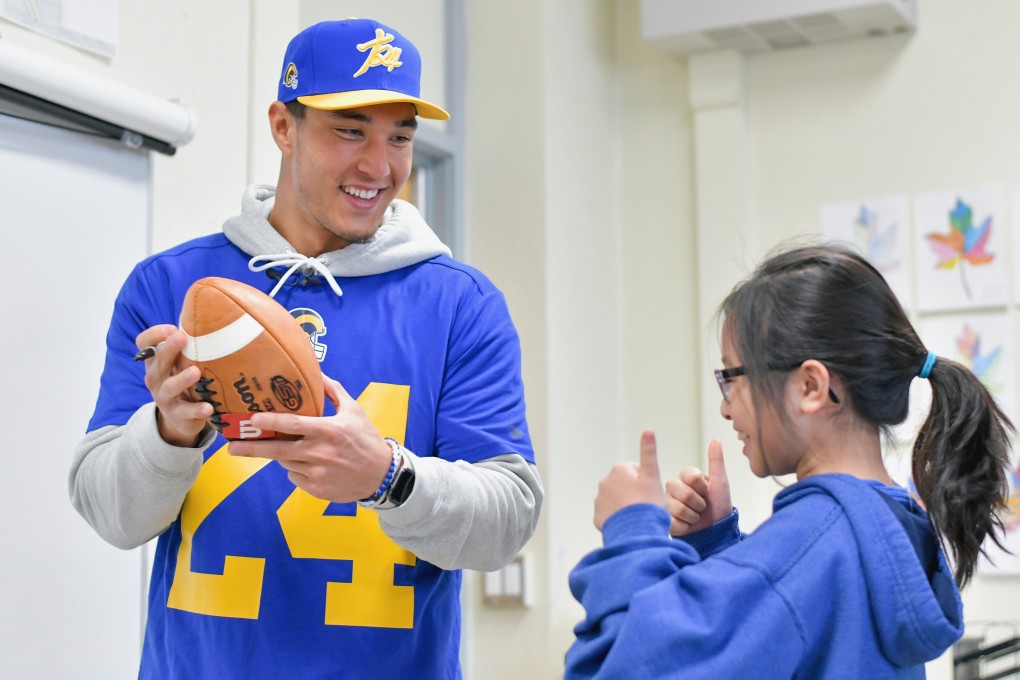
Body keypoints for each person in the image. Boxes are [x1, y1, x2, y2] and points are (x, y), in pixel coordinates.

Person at [69, 18, 542, 680]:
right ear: (283, 127)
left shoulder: (463, 307)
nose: (380, 167)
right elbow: (107, 513)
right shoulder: (171, 288)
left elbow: (508, 520)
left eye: (399, 136)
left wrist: (388, 476)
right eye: (350, 130)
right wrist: (167, 436)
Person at [565, 244, 1013, 679]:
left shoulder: (810, 540)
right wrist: (717, 544)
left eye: (731, 377)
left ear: (810, 387)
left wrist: (632, 535)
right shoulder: (888, 523)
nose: (725, 408)